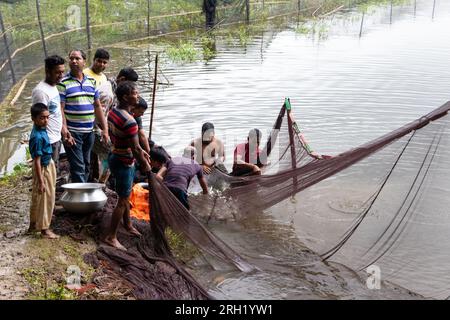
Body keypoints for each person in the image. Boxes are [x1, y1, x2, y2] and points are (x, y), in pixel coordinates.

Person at [105, 81, 151, 251]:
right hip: (124, 162)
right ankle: (111, 236)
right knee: (123, 200)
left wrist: (139, 153)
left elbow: (121, 138)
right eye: (135, 93)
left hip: (114, 156)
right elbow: (137, 148)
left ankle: (128, 224)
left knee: (125, 192)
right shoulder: (130, 121)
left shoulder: (113, 112)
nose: (137, 96)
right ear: (126, 97)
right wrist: (146, 165)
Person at [58, 49, 109, 183]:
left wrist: (105, 129)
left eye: (77, 58)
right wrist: (65, 130)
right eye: (71, 58)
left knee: (86, 164)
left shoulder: (91, 82)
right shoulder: (63, 83)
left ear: (84, 61)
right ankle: (80, 198)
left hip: (89, 131)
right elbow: (60, 109)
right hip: (73, 132)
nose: (74, 61)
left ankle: (81, 193)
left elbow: (97, 106)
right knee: (78, 166)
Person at [28, 103, 59, 239]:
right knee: (46, 197)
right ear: (33, 118)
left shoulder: (40, 129)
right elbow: (37, 160)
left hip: (46, 165)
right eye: (42, 118)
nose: (46, 120)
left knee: (38, 197)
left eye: (47, 117)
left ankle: (33, 224)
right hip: (44, 169)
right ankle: (44, 229)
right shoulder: (37, 137)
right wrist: (41, 181)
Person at [31, 55, 65, 173]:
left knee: (53, 172)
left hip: (56, 137)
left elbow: (56, 111)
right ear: (47, 71)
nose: (61, 76)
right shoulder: (41, 92)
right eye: (57, 73)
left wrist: (63, 130)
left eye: (62, 72)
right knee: (47, 173)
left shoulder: (53, 86)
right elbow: (39, 118)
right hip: (48, 141)